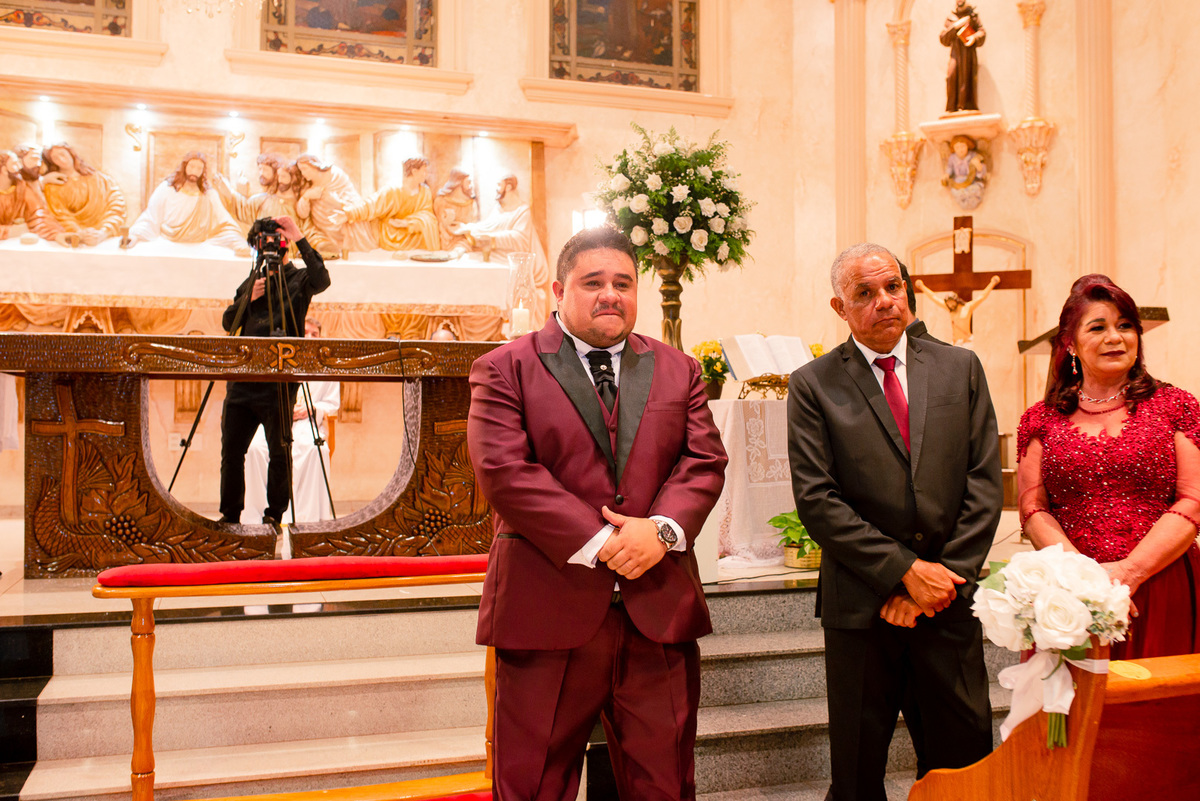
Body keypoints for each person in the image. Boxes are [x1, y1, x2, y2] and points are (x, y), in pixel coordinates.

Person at [466, 226, 728, 801]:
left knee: (665, 786)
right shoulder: (505, 367)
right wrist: (603, 541)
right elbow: (504, 470)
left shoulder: (678, 369)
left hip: (656, 611)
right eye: (593, 282)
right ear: (559, 291)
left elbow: (704, 460)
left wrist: (661, 531)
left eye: (623, 283)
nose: (610, 294)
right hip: (547, 608)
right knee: (535, 786)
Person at [787, 243, 1001, 801]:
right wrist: (905, 572)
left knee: (965, 768)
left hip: (947, 603)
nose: (884, 301)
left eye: (892, 287)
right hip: (862, 607)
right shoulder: (813, 384)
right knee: (858, 773)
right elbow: (818, 500)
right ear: (839, 308)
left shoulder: (960, 368)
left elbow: (983, 483)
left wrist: (939, 581)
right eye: (864, 293)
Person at [1017, 275, 1200, 659]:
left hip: (1160, 582)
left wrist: (1130, 572)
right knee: (1075, 697)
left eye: (1125, 326)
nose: (1115, 337)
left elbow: (1193, 500)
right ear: (1070, 343)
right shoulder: (1041, 418)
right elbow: (1033, 509)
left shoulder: (1176, 406)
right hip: (1069, 594)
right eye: (1098, 327)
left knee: (1158, 692)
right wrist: (1083, 579)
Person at [218, 216, 330, 526]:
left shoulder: (298, 280)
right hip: (243, 380)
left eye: (275, 242)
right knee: (232, 451)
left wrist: (298, 236)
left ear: (284, 246)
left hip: (279, 382)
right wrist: (248, 297)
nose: (269, 248)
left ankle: (275, 515)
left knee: (280, 451)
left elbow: (322, 279)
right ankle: (230, 515)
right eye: (263, 243)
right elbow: (229, 322)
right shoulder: (251, 282)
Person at [242, 317, 340, 525]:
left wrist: (312, 409)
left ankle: (308, 518)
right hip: (274, 421)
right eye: (305, 332)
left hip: (306, 424)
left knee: (315, 451)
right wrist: (281, 408)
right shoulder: (276, 358)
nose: (310, 337)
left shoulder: (327, 366)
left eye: (315, 334)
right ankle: (257, 516)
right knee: (255, 449)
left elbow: (332, 404)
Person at [456, 174, 552, 327]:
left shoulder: (522, 211)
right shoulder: (499, 209)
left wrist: (491, 239)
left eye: (498, 184)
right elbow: (487, 226)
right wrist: (468, 228)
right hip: (499, 258)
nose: (496, 188)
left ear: (508, 186)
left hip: (517, 262)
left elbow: (520, 240)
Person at [123, 151, 247, 252]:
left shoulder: (209, 195)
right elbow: (150, 217)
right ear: (184, 166)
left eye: (199, 168)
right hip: (168, 245)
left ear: (203, 171)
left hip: (200, 247)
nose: (195, 171)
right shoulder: (167, 189)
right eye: (191, 166)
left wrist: (237, 241)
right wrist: (135, 235)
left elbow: (224, 222)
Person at [332, 156, 438, 252]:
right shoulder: (393, 191)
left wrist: (408, 223)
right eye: (424, 171)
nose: (426, 174)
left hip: (415, 238)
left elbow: (428, 216)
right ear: (414, 171)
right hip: (392, 237)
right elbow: (371, 205)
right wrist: (349, 214)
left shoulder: (425, 192)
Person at [40, 142, 128, 246]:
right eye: (55, 158)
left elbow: (117, 206)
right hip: (74, 240)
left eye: (62, 154)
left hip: (105, 240)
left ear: (71, 153)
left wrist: (103, 232)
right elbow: (60, 215)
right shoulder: (54, 186)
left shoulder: (101, 180)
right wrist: (79, 233)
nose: (62, 160)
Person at [293, 152, 376, 255]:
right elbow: (303, 214)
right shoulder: (306, 185)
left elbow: (352, 199)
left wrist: (332, 200)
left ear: (314, 165)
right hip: (323, 228)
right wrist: (306, 197)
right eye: (301, 170)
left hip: (342, 220)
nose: (303, 173)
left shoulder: (335, 175)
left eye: (305, 169)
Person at [914, 273, 1001, 347]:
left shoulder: (967, 307)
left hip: (967, 342)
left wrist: (992, 283)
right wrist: (922, 287)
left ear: (956, 301)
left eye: (951, 303)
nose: (950, 306)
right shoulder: (950, 310)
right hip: (955, 343)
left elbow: (981, 297)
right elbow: (934, 297)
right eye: (948, 304)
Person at [0, 150, 62, 242]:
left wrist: (55, 234)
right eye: (14, 164)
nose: (20, 167)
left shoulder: (22, 189)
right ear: (4, 170)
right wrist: (10, 231)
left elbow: (38, 214)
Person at [940, 0, 986, 112]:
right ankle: (952, 107)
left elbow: (982, 32)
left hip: (968, 54)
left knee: (967, 78)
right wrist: (956, 26)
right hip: (955, 54)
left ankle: (966, 106)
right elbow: (943, 38)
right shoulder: (951, 18)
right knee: (951, 75)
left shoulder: (973, 16)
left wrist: (974, 38)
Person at [431, 167, 477, 250]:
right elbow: (439, 224)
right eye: (468, 182)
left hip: (465, 239)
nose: (471, 186)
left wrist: (463, 228)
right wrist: (446, 224)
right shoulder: (441, 201)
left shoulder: (470, 203)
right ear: (459, 182)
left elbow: (473, 224)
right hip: (446, 239)